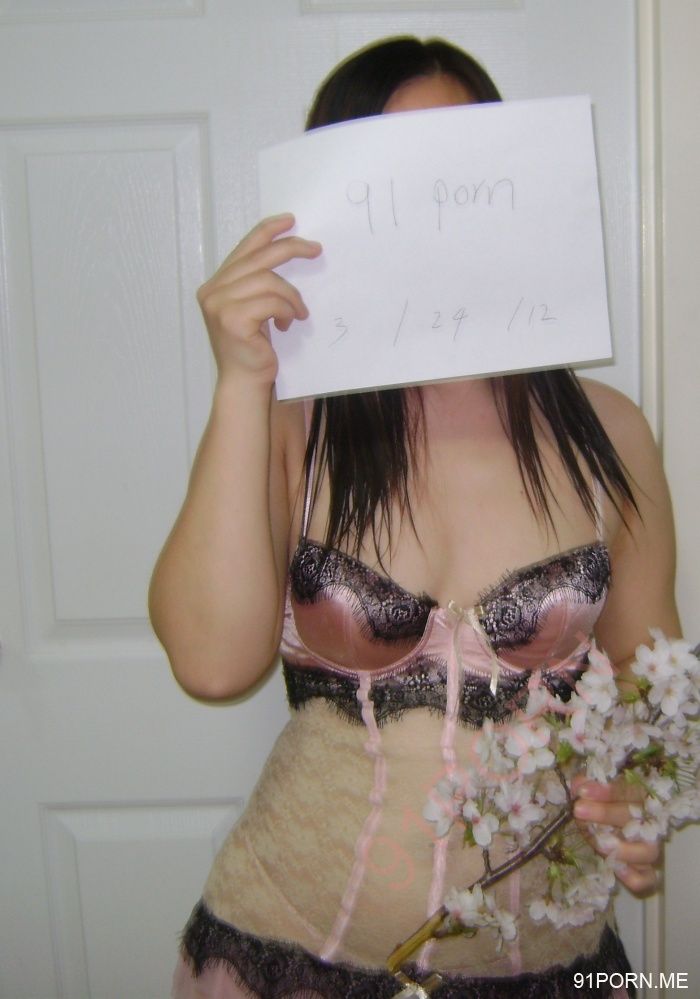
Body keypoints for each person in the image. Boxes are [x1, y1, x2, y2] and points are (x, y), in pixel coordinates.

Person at [150, 36, 679, 999]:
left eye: (461, 166)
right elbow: (211, 664)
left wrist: (637, 798)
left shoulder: (610, 434)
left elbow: (654, 692)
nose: (435, 206)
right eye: (395, 176)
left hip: (552, 965)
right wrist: (241, 381)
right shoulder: (292, 426)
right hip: (286, 953)